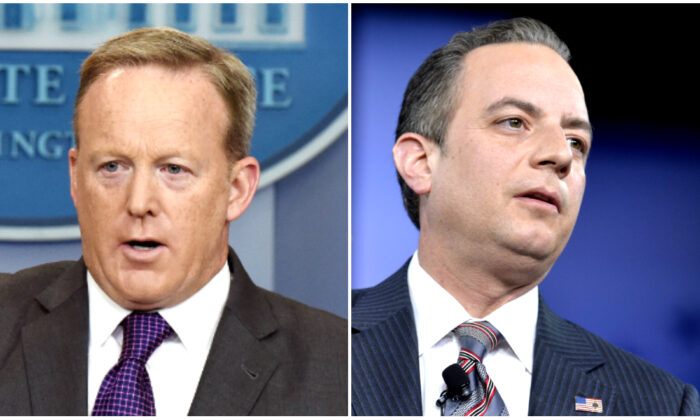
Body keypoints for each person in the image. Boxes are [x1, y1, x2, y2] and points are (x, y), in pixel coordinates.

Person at [351, 17, 699, 416]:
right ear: (420, 163)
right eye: (514, 122)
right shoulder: (320, 346)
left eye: (576, 141)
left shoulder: (661, 405)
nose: (560, 155)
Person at [0, 26, 347, 416]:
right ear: (76, 178)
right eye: (113, 167)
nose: (140, 203)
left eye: (174, 170)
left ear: (236, 189)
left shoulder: (340, 367)